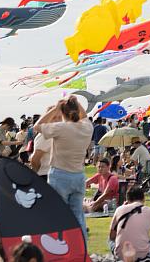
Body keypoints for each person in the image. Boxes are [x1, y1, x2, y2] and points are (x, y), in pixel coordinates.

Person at [34, 97, 93, 239]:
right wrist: (76, 102)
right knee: (78, 216)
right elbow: (84, 116)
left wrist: (55, 109)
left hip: (60, 175)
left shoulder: (61, 128)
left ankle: (61, 248)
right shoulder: (87, 127)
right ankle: (81, 249)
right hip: (79, 175)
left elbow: (37, 126)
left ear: (62, 113)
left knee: (58, 215)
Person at [109, 186, 150, 261]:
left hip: (121, 255)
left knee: (110, 240)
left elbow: (112, 236)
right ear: (143, 198)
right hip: (142, 254)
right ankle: (146, 253)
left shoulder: (119, 209)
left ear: (127, 199)